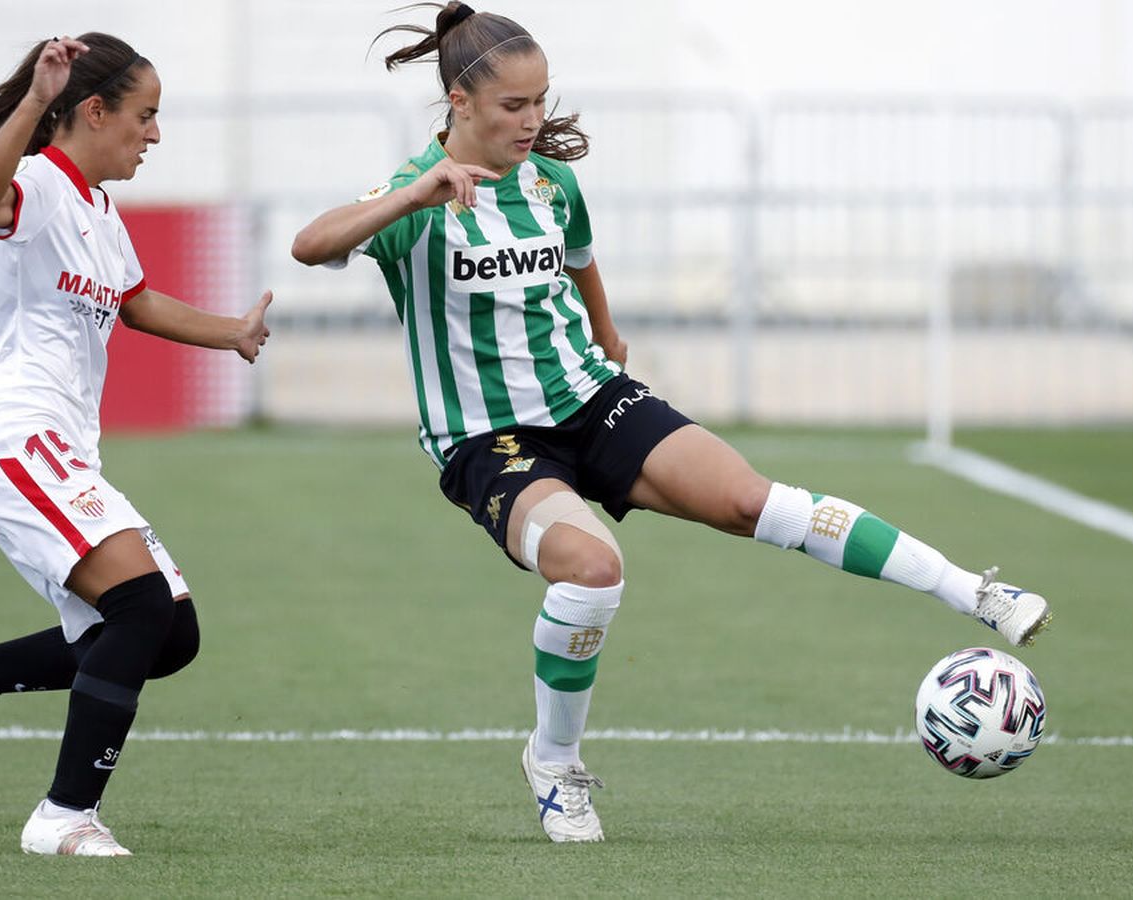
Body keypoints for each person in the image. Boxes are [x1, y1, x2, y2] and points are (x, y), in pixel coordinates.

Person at [292, 2, 1053, 844]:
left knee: (756, 502)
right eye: (514, 106)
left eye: (542, 100)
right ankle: (553, 761)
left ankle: (972, 593)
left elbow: (579, 262)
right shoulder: (418, 196)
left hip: (588, 396)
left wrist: (608, 334)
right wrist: (414, 193)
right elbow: (311, 245)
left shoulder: (552, 181)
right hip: (488, 437)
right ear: (459, 100)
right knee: (590, 569)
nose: (533, 120)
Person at [0, 33, 273, 857]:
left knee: (170, 632)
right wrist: (37, 99)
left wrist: (233, 334)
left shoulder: (100, 213)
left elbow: (136, 303)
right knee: (139, 605)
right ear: (94, 110)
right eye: (144, 116)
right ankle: (64, 816)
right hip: (9, 433)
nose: (153, 134)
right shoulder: (35, 183)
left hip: (60, 446)